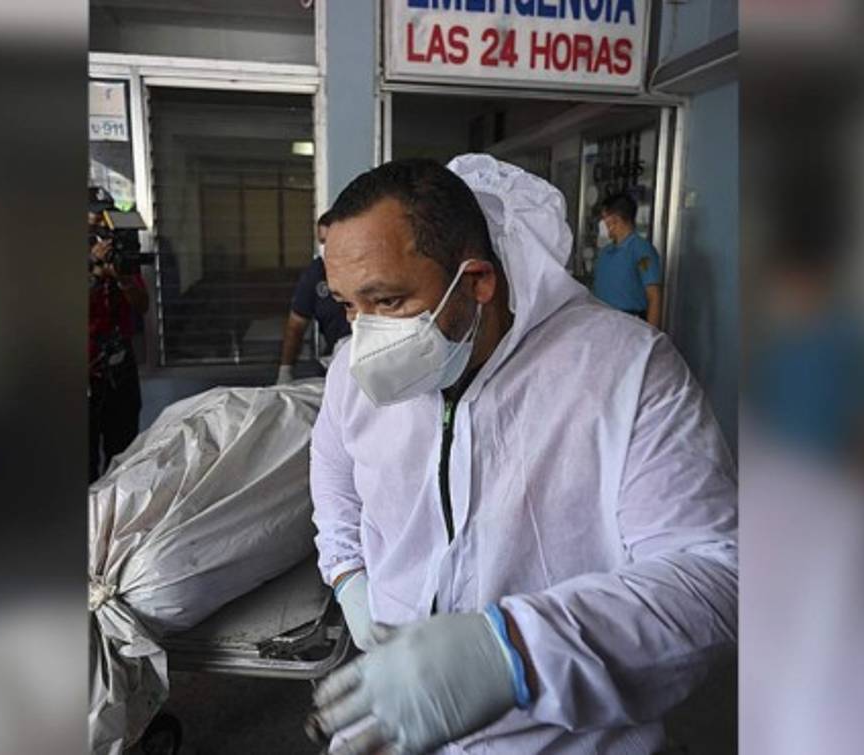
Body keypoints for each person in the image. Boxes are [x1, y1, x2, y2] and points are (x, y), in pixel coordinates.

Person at [308, 155, 737, 754]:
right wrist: (349, 575)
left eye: (388, 301)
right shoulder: (352, 378)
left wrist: (512, 652)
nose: (365, 334)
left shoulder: (624, 370)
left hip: (566, 738)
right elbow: (335, 482)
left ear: (477, 281)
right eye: (348, 305)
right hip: (400, 717)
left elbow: (713, 575)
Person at [88, 187, 149, 483]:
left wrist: (123, 279)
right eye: (94, 213)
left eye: (106, 213)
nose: (101, 221)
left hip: (120, 370)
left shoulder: (121, 253)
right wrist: (93, 270)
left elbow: (143, 305)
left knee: (122, 455)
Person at [276, 211, 352, 384]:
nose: (325, 247)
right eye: (322, 241)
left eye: (330, 241)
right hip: (339, 355)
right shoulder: (314, 275)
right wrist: (285, 370)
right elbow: (296, 326)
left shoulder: (364, 268)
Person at [593, 192, 664, 327]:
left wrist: (651, 334)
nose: (602, 224)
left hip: (630, 324)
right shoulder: (605, 253)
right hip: (602, 322)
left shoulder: (641, 250)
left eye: (604, 219)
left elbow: (654, 296)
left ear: (615, 220)